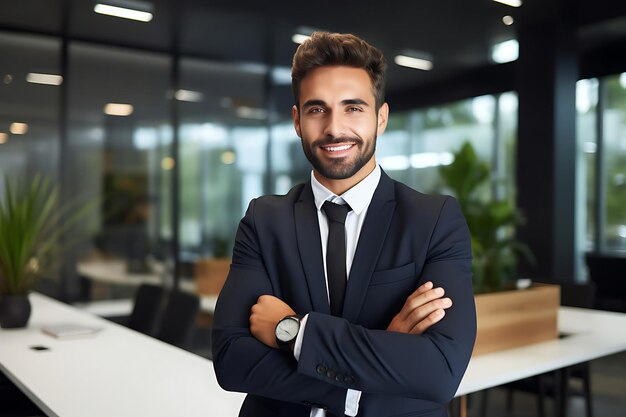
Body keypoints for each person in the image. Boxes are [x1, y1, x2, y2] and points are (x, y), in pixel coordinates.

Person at [212, 31, 476, 417]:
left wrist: (293, 331)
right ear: (297, 121)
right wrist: (372, 366)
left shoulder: (433, 220)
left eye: (353, 108)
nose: (335, 128)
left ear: (380, 117)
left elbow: (439, 370)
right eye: (318, 109)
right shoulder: (264, 220)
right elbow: (232, 360)